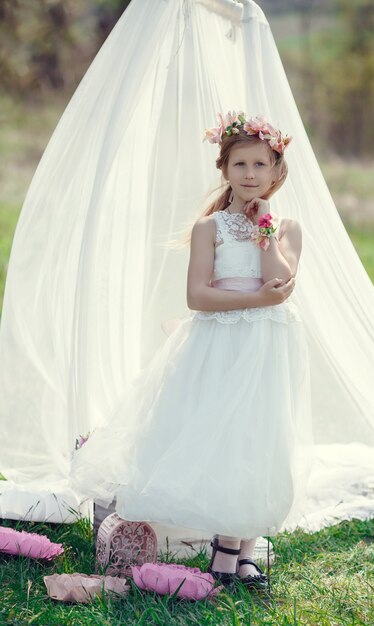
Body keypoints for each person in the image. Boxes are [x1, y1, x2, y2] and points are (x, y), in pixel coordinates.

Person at [71, 110, 312, 593]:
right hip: (218, 342)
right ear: (224, 170)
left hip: (266, 343)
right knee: (223, 437)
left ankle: (243, 550)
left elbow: (279, 282)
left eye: (260, 164)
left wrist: (264, 227)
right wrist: (252, 300)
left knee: (258, 438)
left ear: (276, 171)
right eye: (240, 164)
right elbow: (198, 297)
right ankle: (224, 550)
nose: (249, 174)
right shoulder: (210, 228)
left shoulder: (286, 228)